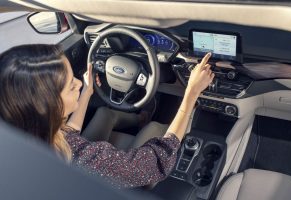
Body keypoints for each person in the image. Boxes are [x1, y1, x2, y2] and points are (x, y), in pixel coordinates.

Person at [0, 44, 214, 188]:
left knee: (104, 112)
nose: (77, 81)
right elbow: (157, 161)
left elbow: (68, 133)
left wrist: (87, 92)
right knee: (156, 129)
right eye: (69, 85)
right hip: (133, 183)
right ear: (45, 106)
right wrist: (191, 93)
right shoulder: (85, 160)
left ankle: (141, 118)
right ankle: (149, 122)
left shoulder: (29, 135)